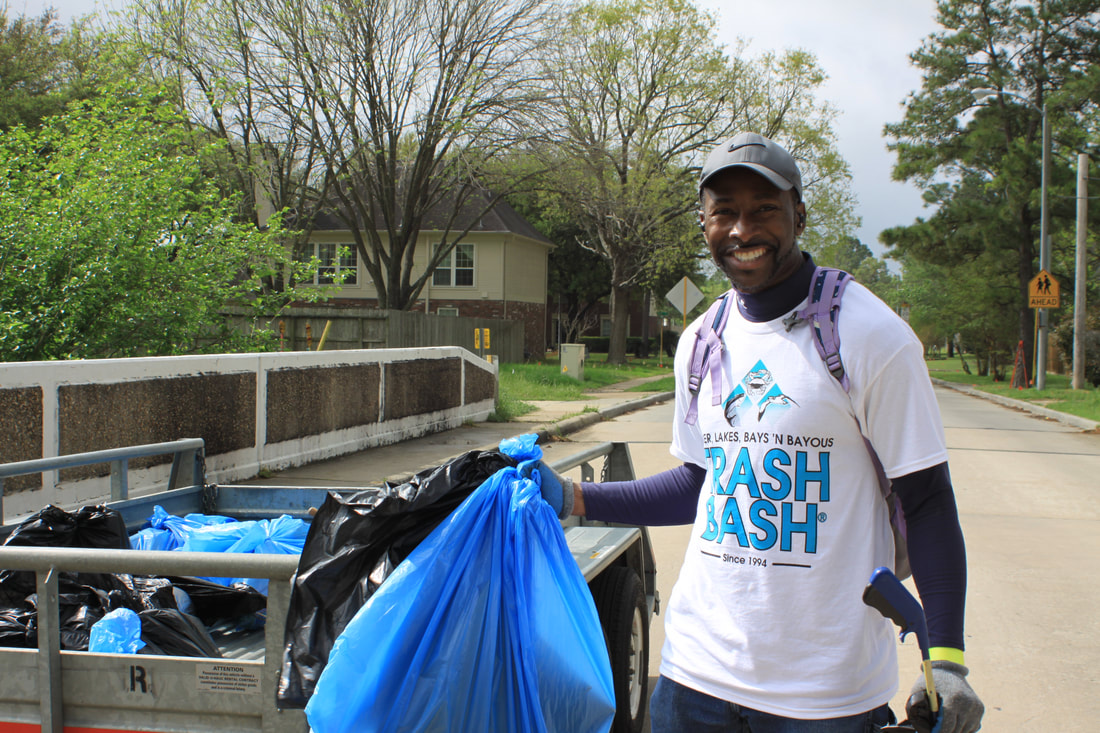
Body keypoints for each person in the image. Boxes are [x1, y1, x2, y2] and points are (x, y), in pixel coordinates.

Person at [539, 133, 984, 732]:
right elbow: (703, 483)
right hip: (693, 676)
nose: (743, 230)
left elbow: (928, 501)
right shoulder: (700, 341)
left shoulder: (870, 335)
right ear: (704, 224)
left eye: (764, 209)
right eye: (724, 211)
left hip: (824, 694)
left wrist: (949, 659)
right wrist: (575, 498)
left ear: (798, 215)